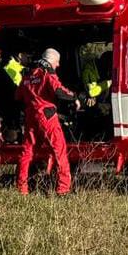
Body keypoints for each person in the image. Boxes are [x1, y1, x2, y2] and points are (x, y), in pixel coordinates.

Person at [16, 48, 77, 195]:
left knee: (26, 153)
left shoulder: (28, 75)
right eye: (57, 62)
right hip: (47, 116)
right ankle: (63, 189)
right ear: (51, 61)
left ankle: (21, 189)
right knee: (59, 151)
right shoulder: (47, 73)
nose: (58, 66)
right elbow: (60, 92)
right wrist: (76, 97)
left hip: (30, 116)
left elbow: (18, 96)